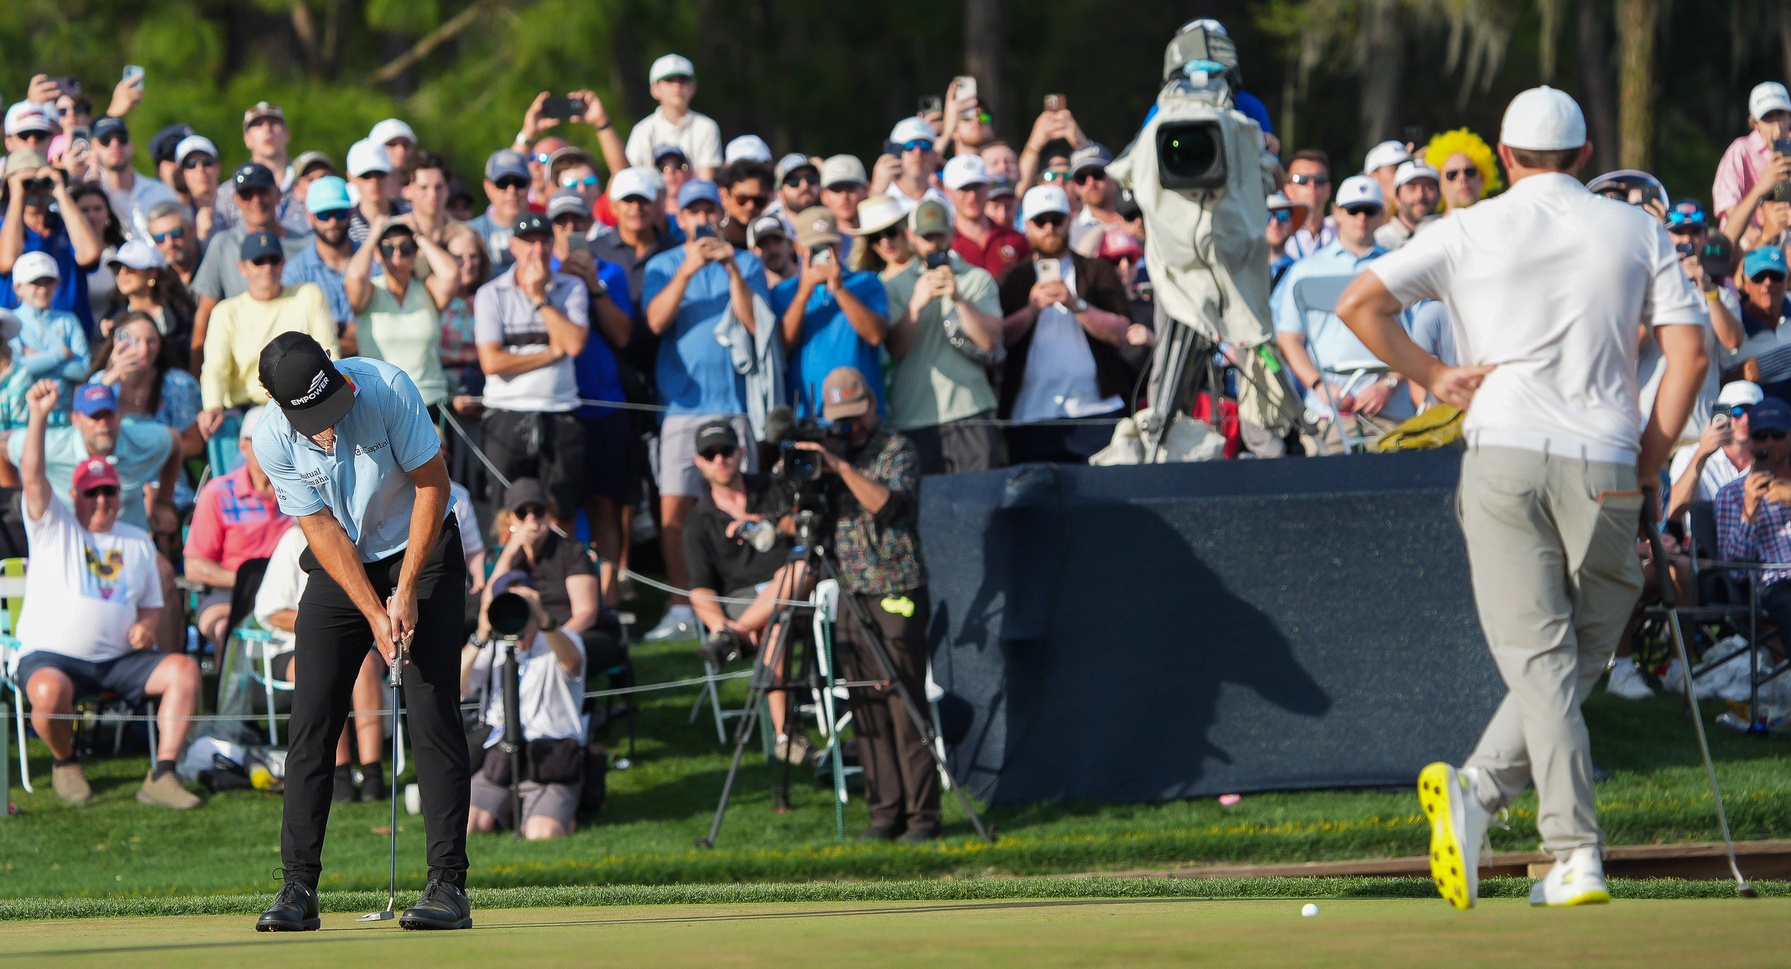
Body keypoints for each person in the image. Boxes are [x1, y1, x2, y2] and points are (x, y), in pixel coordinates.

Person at [1336, 86, 1708, 909]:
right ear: (1582, 157)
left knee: (1552, 658)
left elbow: (1355, 303)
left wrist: (1432, 376)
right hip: (1606, 462)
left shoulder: (1466, 226)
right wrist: (1650, 460)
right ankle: (1567, 843)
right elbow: (1688, 355)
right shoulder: (1636, 226)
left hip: (1501, 456)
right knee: (1572, 651)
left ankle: (1490, 799)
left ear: (1503, 159)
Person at [251, 332, 472, 932]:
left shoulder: (386, 388)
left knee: (432, 711)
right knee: (313, 717)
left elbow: (434, 485)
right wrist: (374, 612)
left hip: (421, 548)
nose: (326, 429)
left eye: (330, 412)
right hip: (342, 558)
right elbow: (320, 530)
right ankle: (298, 888)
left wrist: (404, 591)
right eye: (311, 420)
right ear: (276, 402)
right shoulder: (271, 437)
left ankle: (448, 885)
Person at [14, 380, 202, 809]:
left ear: (121, 495)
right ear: (74, 496)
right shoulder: (52, 525)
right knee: (45, 691)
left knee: (184, 672)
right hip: (53, 657)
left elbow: (153, 607)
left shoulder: (137, 539)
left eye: (110, 491)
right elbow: (31, 475)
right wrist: (39, 415)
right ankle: (65, 761)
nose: (102, 500)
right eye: (92, 492)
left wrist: (147, 626)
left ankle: (164, 774)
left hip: (121, 661)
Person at [792, 366, 936, 840]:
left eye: (856, 417)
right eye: (841, 419)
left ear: (873, 406)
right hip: (850, 590)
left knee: (903, 700)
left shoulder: (897, 449)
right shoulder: (830, 453)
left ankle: (922, 817)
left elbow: (889, 506)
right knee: (866, 704)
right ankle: (884, 814)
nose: (849, 427)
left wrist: (842, 469)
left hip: (896, 588)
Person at [641, 180, 770, 642]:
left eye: (709, 211)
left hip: (736, 407)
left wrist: (733, 270)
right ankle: (682, 607)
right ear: (680, 218)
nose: (702, 220)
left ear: (721, 215)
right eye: (693, 212)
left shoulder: (749, 262)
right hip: (681, 408)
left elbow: (757, 328)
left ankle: (748, 599)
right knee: (675, 511)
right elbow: (655, 321)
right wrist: (688, 271)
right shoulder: (664, 264)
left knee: (744, 505)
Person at [681, 418, 817, 765]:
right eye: (709, 455)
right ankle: (786, 735)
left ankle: (738, 639)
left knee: (799, 569)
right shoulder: (698, 522)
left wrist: (765, 522)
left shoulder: (772, 488)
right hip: (741, 602)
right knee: (774, 628)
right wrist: (717, 626)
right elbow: (700, 591)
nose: (719, 460)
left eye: (725, 451)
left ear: (741, 452)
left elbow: (805, 526)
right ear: (699, 461)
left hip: (795, 590)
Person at [251, 523, 393, 802]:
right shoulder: (295, 539)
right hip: (296, 645)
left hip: (364, 643)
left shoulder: (369, 536)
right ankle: (338, 774)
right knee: (325, 667)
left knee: (363, 667)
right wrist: (328, 628)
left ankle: (372, 774)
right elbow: (271, 611)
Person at [1274, 176, 1419, 451]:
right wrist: (1320, 387)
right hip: (1328, 413)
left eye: (1370, 210)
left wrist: (1388, 384)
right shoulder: (1306, 270)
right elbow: (1289, 339)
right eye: (1353, 210)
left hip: (1391, 409)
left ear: (1383, 216)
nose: (1360, 218)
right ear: (1337, 213)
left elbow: (1416, 339)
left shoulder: (1401, 267)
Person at [996, 186, 1133, 464]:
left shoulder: (1096, 270)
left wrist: (1077, 305)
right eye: (1040, 221)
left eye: (1056, 220)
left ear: (1069, 221)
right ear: (1027, 227)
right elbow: (997, 340)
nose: (1049, 228)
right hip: (1031, 415)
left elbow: (1122, 333)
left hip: (1097, 411)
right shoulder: (1012, 278)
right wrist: (1032, 309)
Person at [473, 213, 590, 531]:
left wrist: (540, 298)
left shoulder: (572, 287)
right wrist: (551, 353)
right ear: (513, 245)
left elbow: (575, 344)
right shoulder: (491, 293)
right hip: (506, 412)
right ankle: (506, 576)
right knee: (505, 510)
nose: (536, 249)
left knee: (561, 507)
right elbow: (492, 362)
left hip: (560, 410)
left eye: (543, 240)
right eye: (528, 241)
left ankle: (558, 575)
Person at [879, 199, 1005, 474]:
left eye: (939, 234)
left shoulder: (977, 279)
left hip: (971, 411)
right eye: (926, 237)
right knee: (926, 511)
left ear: (951, 234)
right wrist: (915, 306)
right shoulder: (894, 287)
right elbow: (895, 349)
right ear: (911, 238)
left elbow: (989, 341)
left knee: (978, 505)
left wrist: (959, 298)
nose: (934, 243)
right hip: (914, 416)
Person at [461, 571, 587, 840]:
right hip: (501, 760)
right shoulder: (492, 647)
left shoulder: (562, 639)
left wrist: (544, 620)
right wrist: (480, 635)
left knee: (541, 834)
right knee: (468, 826)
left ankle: (558, 813)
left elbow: (572, 663)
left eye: (520, 602)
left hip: (552, 760)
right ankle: (511, 808)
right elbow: (456, 688)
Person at [198, 231, 339, 435]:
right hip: (251, 412)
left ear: (283, 263)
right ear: (242, 267)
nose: (267, 267)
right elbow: (215, 369)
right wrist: (212, 406)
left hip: (307, 404)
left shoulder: (309, 294)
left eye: (274, 260)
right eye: (258, 261)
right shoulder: (225, 312)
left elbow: (330, 351)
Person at [184, 405, 291, 652]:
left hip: (288, 594)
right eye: (262, 440)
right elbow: (194, 567)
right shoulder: (218, 493)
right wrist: (252, 582)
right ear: (243, 446)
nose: (272, 448)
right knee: (225, 629)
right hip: (228, 594)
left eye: (278, 439)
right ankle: (227, 690)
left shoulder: (298, 490)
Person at [190, 163, 313, 372]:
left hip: (302, 361)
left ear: (277, 194)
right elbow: (204, 315)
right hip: (243, 368)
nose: (256, 201)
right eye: (247, 194)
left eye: (263, 191)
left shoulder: (305, 244)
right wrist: (197, 377)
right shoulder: (223, 244)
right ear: (236, 200)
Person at [775, 207, 889, 418]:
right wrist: (802, 294)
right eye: (815, 247)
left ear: (840, 244)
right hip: (809, 416)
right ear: (798, 248)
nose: (824, 253)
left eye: (829, 245)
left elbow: (876, 336)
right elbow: (780, 350)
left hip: (863, 414)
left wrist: (839, 289)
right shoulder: (783, 293)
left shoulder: (867, 282)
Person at [345, 218, 459, 413]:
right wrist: (373, 236)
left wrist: (419, 236)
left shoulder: (427, 289)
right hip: (381, 403)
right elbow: (354, 277)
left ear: (415, 253)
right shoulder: (370, 292)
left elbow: (451, 274)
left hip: (429, 401)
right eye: (388, 249)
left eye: (405, 248)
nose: (397, 255)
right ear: (378, 253)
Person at [1, 152, 102, 332]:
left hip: (72, 337)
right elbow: (7, 261)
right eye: (27, 184)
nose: (35, 190)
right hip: (20, 340)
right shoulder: (5, 229)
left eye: (39, 184)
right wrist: (17, 195)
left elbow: (90, 255)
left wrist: (60, 191)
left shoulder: (68, 225)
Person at [282, 176, 360, 352]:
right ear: (309, 217)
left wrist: (332, 330)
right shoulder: (295, 271)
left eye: (340, 212)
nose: (333, 222)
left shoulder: (373, 259)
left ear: (351, 212)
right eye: (324, 214)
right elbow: (298, 336)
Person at [1668, 381, 1761, 522]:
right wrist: (1702, 455)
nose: (1745, 419)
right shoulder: (1689, 455)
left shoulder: (1769, 457)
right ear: (1721, 414)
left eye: (1752, 412)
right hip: (1704, 542)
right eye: (1737, 412)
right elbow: (1673, 511)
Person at [7, 250, 91, 405]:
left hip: (65, 415)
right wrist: (60, 354)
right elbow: (14, 369)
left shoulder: (68, 320)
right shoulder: (8, 321)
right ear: (18, 287)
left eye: (49, 281)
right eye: (35, 282)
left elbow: (84, 370)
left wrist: (37, 358)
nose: (43, 289)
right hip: (25, 415)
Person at [214, 101, 309, 237]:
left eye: (273, 123)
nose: (267, 129)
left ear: (287, 134)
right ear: (247, 139)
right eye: (258, 125)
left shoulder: (307, 184)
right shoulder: (228, 192)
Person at [96, 239, 195, 367]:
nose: (123, 272)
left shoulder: (181, 315)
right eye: (118, 267)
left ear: (152, 273)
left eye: (131, 267)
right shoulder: (111, 320)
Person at [624, 54, 723, 180]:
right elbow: (630, 177)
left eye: (683, 80)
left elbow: (706, 181)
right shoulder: (642, 130)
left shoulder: (707, 127)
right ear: (655, 89)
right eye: (669, 80)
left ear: (693, 87)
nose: (677, 86)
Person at [1714, 82, 1791, 231]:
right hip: (1750, 243)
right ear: (1755, 123)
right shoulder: (1740, 151)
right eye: (1768, 117)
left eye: (1780, 114)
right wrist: (1764, 185)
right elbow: (1730, 211)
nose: (1776, 124)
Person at [91, 117, 181, 242]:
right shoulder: (93, 197)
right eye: (105, 140)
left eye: (122, 138)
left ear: (131, 146)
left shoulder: (162, 192)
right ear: (93, 149)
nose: (115, 144)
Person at [943, 155, 1027, 276]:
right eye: (964, 188)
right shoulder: (943, 242)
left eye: (978, 186)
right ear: (948, 192)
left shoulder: (1015, 239)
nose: (972, 196)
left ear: (988, 187)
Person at [466, 150, 533, 276]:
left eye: (519, 182)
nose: (511, 191)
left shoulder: (546, 229)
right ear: (488, 187)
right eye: (502, 183)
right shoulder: (471, 232)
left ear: (529, 184)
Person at [69, 181, 125, 310]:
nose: (92, 215)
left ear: (108, 213)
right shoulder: (65, 252)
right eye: (84, 210)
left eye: (97, 208)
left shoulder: (121, 251)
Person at [1423, 129, 1501, 212]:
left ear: (1482, 178)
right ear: (1440, 185)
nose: (1462, 178)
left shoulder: (1499, 221)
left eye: (1470, 172)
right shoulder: (1431, 225)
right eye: (1452, 175)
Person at [1067, 144, 1123, 257]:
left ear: (1114, 175)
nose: (1091, 183)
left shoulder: (1139, 218)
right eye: (1081, 179)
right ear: (1075, 186)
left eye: (1097, 174)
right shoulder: (1069, 232)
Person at [345, 140, 402, 246]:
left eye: (380, 173)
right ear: (350, 177)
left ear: (389, 173)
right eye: (365, 175)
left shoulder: (411, 215)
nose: (374, 181)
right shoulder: (345, 228)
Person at [1375, 161, 1442, 250]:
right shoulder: (1380, 241)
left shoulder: (1450, 233)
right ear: (1397, 198)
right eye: (1411, 188)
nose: (1420, 195)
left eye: (1428, 187)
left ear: (1439, 195)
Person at [1283, 149, 1335, 260]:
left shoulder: (1342, 234)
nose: (1312, 185)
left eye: (1320, 179)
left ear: (1328, 189)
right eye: (1302, 179)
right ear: (1288, 190)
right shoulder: (1275, 233)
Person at [717, 160, 773, 250]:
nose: (750, 206)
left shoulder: (774, 249)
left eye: (759, 200)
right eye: (742, 199)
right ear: (724, 195)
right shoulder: (714, 245)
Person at [146, 202, 199, 288]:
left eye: (176, 232)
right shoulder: (158, 282)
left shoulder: (213, 258)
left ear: (192, 229)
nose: (170, 242)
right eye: (160, 238)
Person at [1265, 192, 1307, 290]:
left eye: (1283, 215)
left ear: (1292, 222)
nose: (1275, 223)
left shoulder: (1300, 271)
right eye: (1267, 216)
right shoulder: (1245, 270)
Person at [819, 155, 870, 233]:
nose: (844, 196)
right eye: (836, 190)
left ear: (865, 190)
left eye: (851, 188)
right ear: (823, 196)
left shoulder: (884, 237)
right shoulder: (818, 241)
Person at [768, 153, 820, 219]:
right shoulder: (770, 227)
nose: (805, 186)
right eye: (794, 181)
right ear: (779, 194)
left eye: (810, 178)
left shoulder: (833, 224)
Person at [749, 214, 797, 286]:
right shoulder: (753, 293)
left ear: (791, 245)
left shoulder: (816, 284)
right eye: (763, 243)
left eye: (777, 240)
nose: (772, 248)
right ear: (751, 253)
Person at [1363, 140, 1411, 208]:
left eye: (1407, 169)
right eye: (1394, 170)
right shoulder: (1360, 216)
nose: (1404, 175)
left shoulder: (1426, 216)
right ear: (1372, 177)